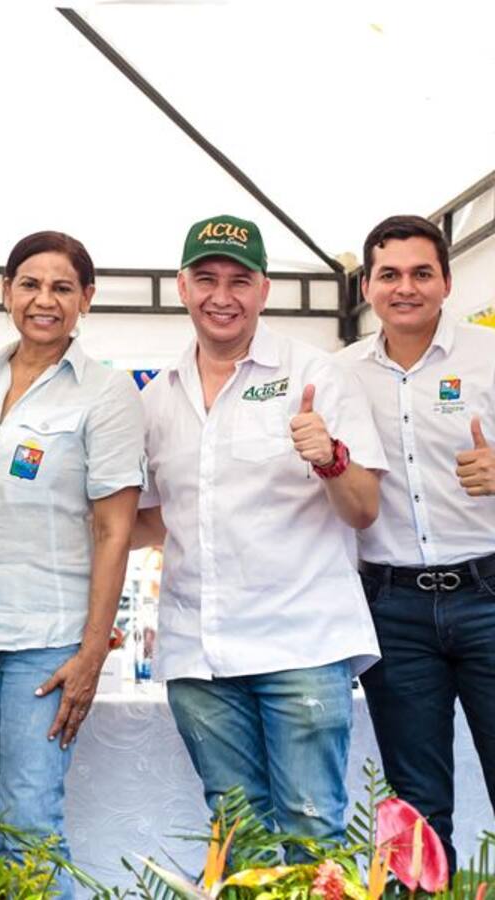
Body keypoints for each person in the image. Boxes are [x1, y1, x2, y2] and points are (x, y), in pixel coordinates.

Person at [133, 215, 387, 850]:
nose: (223, 296)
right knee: (237, 841)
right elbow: (149, 520)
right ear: (182, 287)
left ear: (265, 289)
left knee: (313, 839)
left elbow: (363, 510)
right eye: (207, 279)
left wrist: (329, 456)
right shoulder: (157, 396)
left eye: (239, 281)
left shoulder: (317, 375)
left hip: (300, 646)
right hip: (200, 654)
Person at [0, 231, 143, 898]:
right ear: (6, 292)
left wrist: (91, 654)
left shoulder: (107, 393)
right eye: (30, 284)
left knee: (30, 820)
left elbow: (115, 531)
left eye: (62, 287)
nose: (44, 300)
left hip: (47, 642)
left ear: (86, 298)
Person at [337, 215, 495, 872]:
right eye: (390, 274)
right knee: (418, 812)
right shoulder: (338, 374)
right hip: (390, 609)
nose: (406, 288)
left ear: (447, 282)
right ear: (368, 286)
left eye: (421, 272)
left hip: (489, 596)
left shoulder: (488, 356)